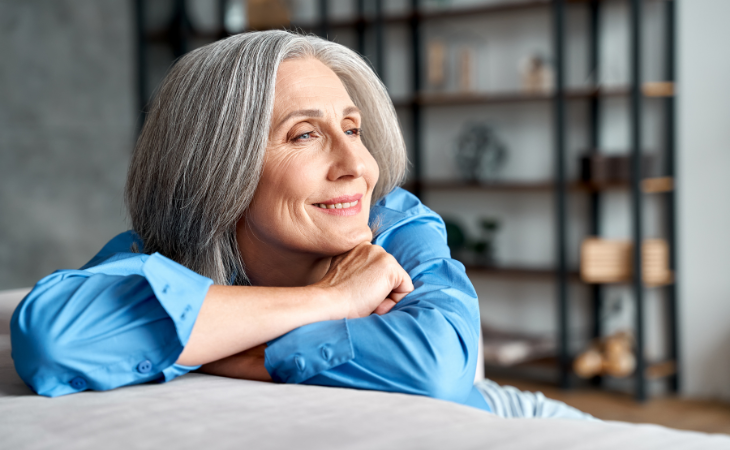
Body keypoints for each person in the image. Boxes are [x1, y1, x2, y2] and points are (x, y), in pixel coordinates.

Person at [10, 30, 591, 419]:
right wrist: (331, 299)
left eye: (353, 128)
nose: (358, 167)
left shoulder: (396, 223)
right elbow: (56, 340)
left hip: (509, 414)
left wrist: (227, 349)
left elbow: (435, 367)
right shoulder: (159, 249)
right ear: (217, 167)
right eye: (305, 135)